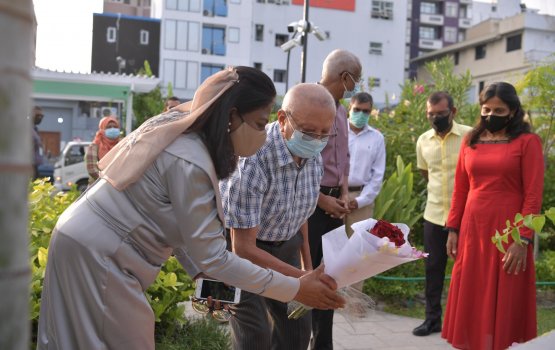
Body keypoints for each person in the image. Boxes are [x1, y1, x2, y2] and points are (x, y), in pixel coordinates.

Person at [37, 67, 345, 350]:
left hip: (92, 245)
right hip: (99, 254)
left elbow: (183, 232)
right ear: (230, 116)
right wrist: (295, 288)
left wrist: (206, 280)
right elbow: (215, 256)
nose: (264, 136)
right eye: (260, 124)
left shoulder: (194, 146)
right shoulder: (191, 160)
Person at [220, 83, 336, 350]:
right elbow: (243, 247)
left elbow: (300, 215)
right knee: (255, 335)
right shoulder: (253, 159)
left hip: (286, 245)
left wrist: (307, 270)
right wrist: (300, 279)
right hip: (244, 253)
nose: (317, 139)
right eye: (308, 131)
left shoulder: (313, 153)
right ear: (283, 119)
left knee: (297, 331)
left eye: (324, 133)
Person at [442, 82, 544, 349]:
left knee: (506, 296)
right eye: (486, 109)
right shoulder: (470, 140)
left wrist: (522, 239)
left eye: (498, 110)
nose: (491, 114)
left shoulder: (528, 142)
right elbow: (460, 189)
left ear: (512, 111)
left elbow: (533, 195)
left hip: (509, 232)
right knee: (473, 295)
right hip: (472, 230)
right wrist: (452, 229)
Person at [308, 49, 361, 350]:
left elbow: (343, 160)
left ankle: (322, 345)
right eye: (357, 79)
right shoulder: (309, 103)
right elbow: (293, 168)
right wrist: (321, 200)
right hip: (310, 207)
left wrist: (343, 193)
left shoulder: (341, 110)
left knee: (331, 278)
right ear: (344, 77)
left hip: (334, 206)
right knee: (306, 278)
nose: (358, 85)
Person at [413, 91, 472, 337]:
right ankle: (432, 319)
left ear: (453, 112)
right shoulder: (423, 141)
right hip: (435, 214)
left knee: (467, 270)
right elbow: (426, 173)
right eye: (431, 114)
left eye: (441, 114)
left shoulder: (470, 136)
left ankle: (467, 321)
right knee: (433, 269)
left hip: (467, 216)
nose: (436, 118)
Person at [344, 92, 386, 291]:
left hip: (361, 198)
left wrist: (359, 201)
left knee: (359, 250)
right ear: (349, 108)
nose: (361, 114)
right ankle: (326, 295)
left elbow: (377, 176)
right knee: (330, 246)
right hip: (334, 197)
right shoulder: (337, 131)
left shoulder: (376, 138)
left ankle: (352, 300)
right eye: (357, 110)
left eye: (366, 111)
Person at [85, 116, 121, 184]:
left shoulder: (122, 144)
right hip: (99, 186)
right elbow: (92, 169)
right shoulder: (94, 146)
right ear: (102, 129)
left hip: (119, 185)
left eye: (115, 127)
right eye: (109, 127)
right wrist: (108, 181)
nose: (112, 129)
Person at [32, 106, 44, 180]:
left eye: (41, 116)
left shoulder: (35, 129)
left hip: (35, 165)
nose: (40, 118)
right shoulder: (27, 129)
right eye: (37, 115)